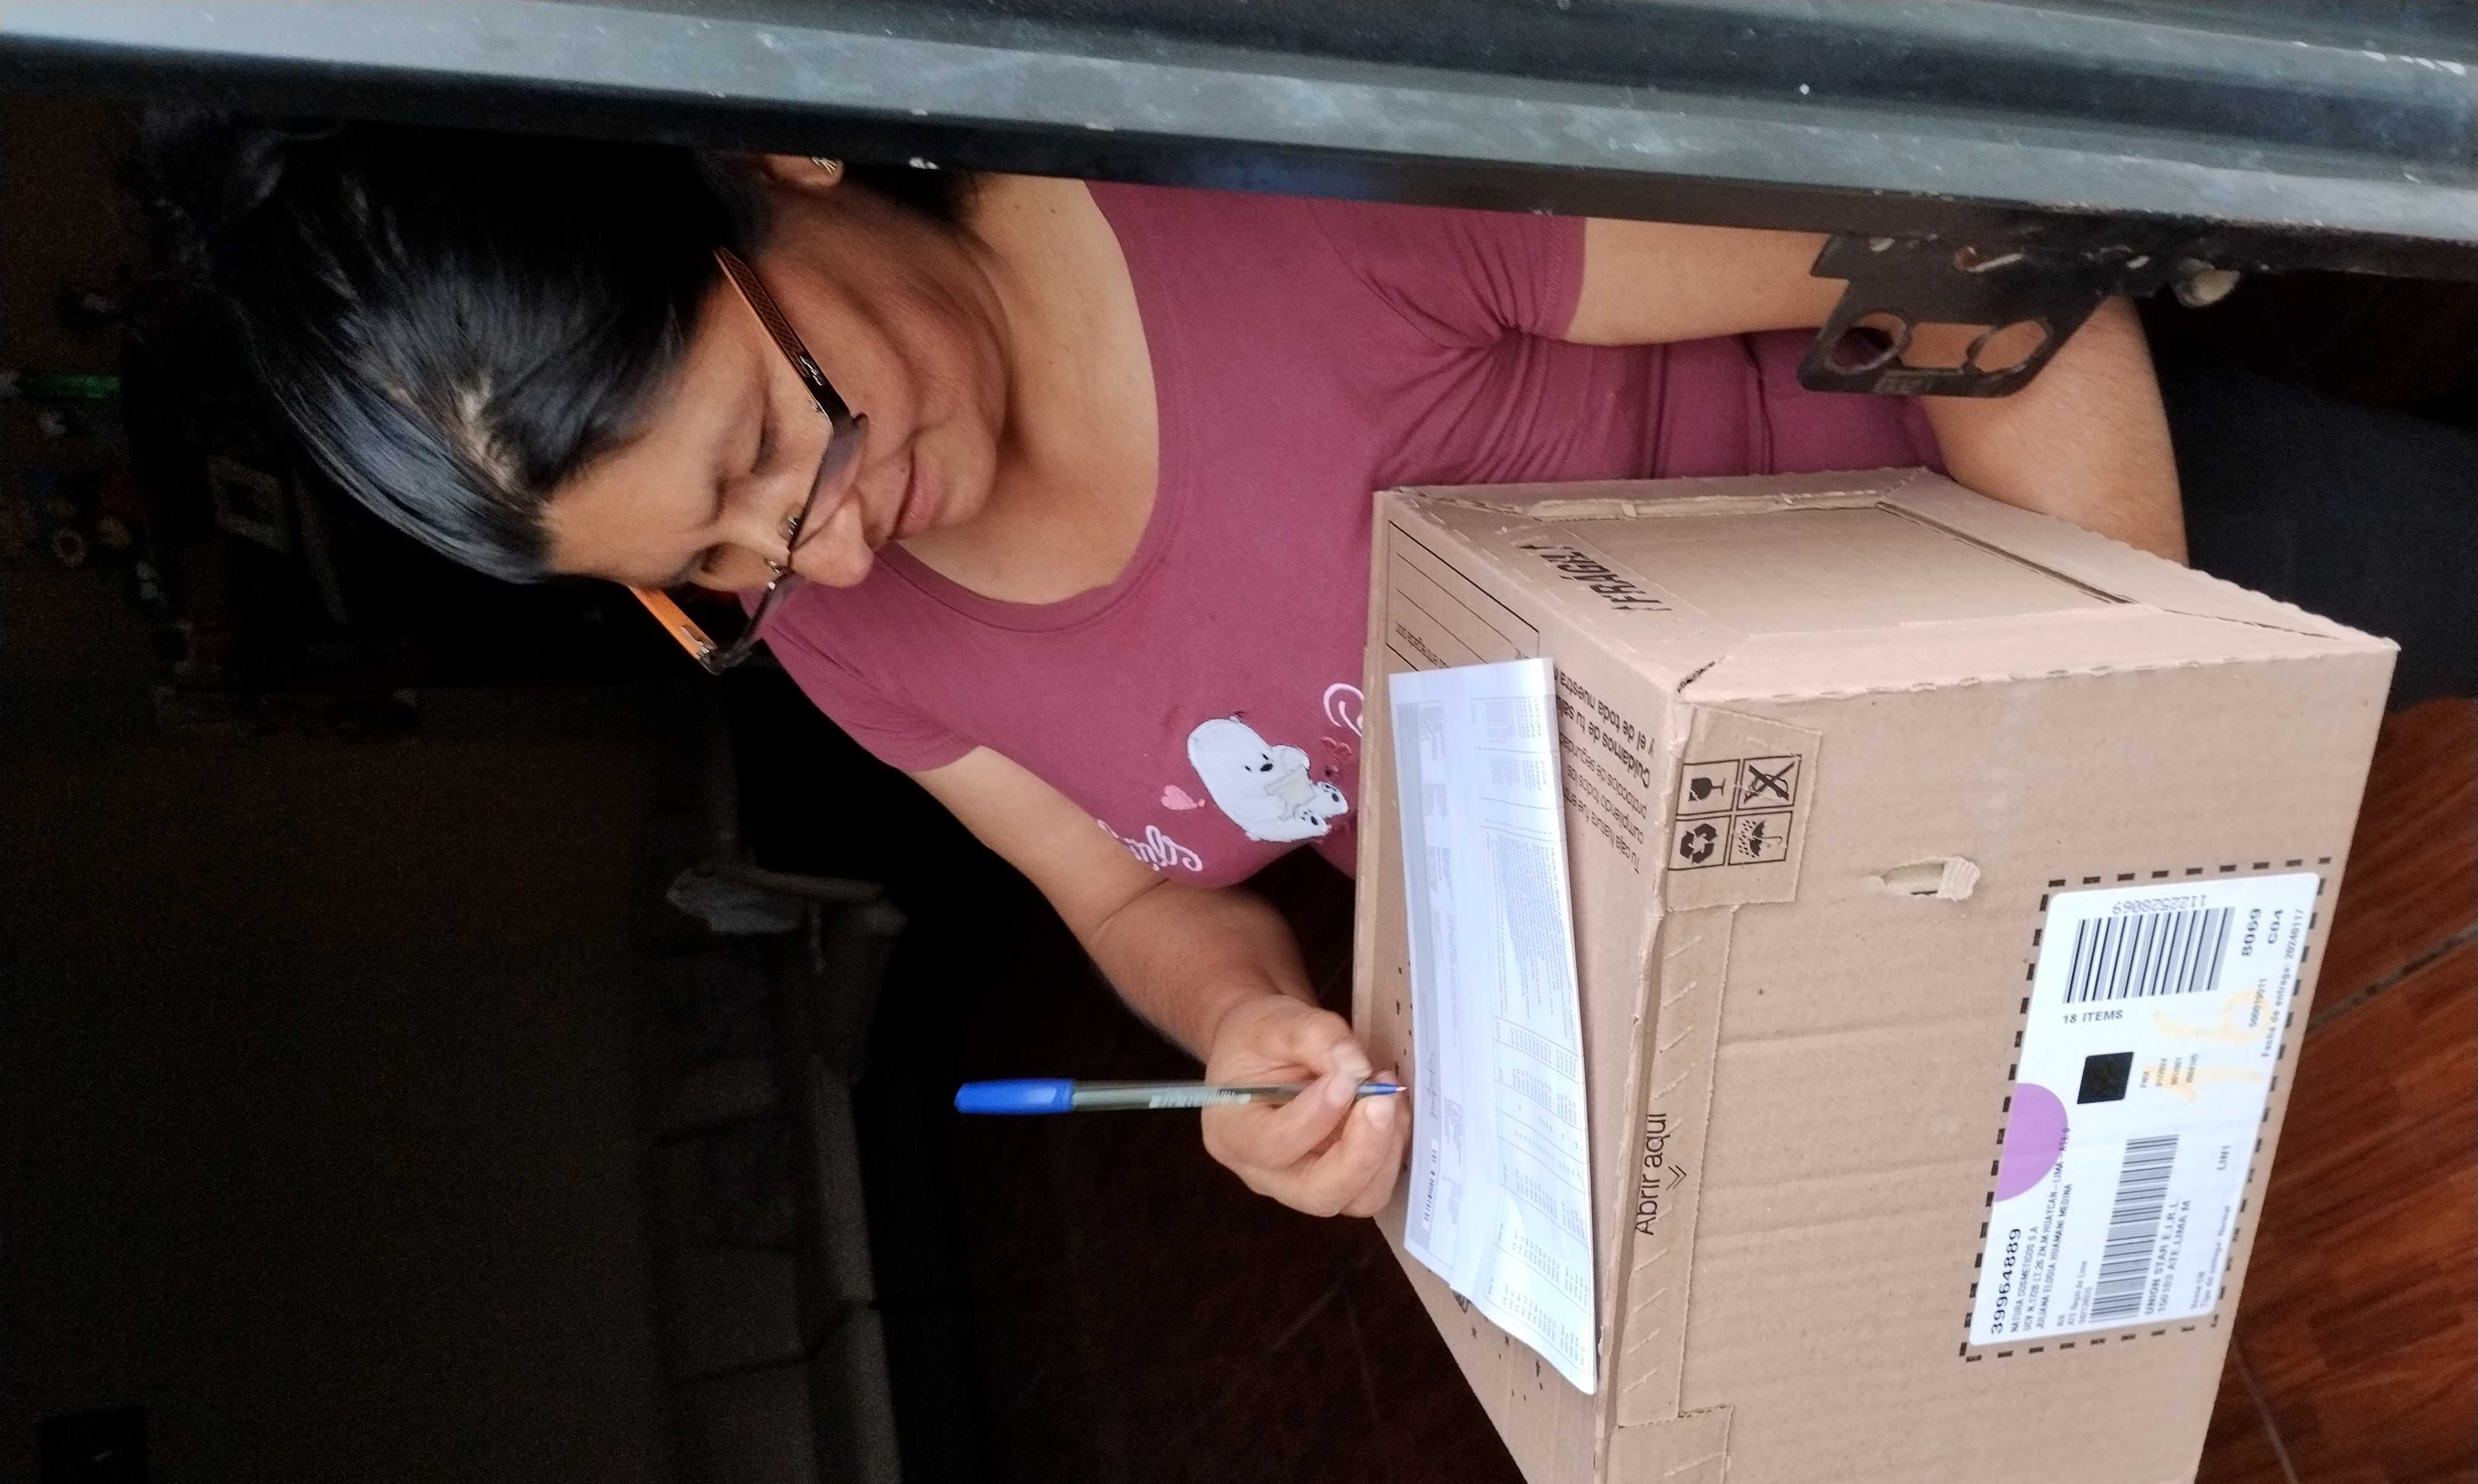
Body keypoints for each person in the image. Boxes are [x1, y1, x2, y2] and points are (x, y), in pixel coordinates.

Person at [152, 117, 2191, 1220]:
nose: (820, 550)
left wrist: (2105, 760)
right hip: (1767, 946)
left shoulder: (1245, 188)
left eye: (777, 439)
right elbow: (1133, 898)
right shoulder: (843, 625)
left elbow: (1965, 247)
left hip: (2042, 652)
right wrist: (1242, 1031)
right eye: (708, 572)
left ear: (776, 161)